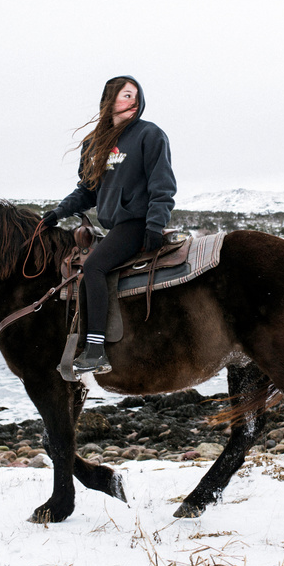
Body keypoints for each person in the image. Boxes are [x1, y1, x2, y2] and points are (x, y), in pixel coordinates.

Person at [42, 76, 176, 375]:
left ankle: (96, 351)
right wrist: (58, 212)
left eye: (136, 95)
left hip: (136, 222)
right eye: (126, 95)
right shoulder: (93, 143)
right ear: (110, 99)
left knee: (94, 267)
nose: (133, 100)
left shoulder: (149, 134)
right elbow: (88, 190)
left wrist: (155, 225)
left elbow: (162, 184)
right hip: (114, 226)